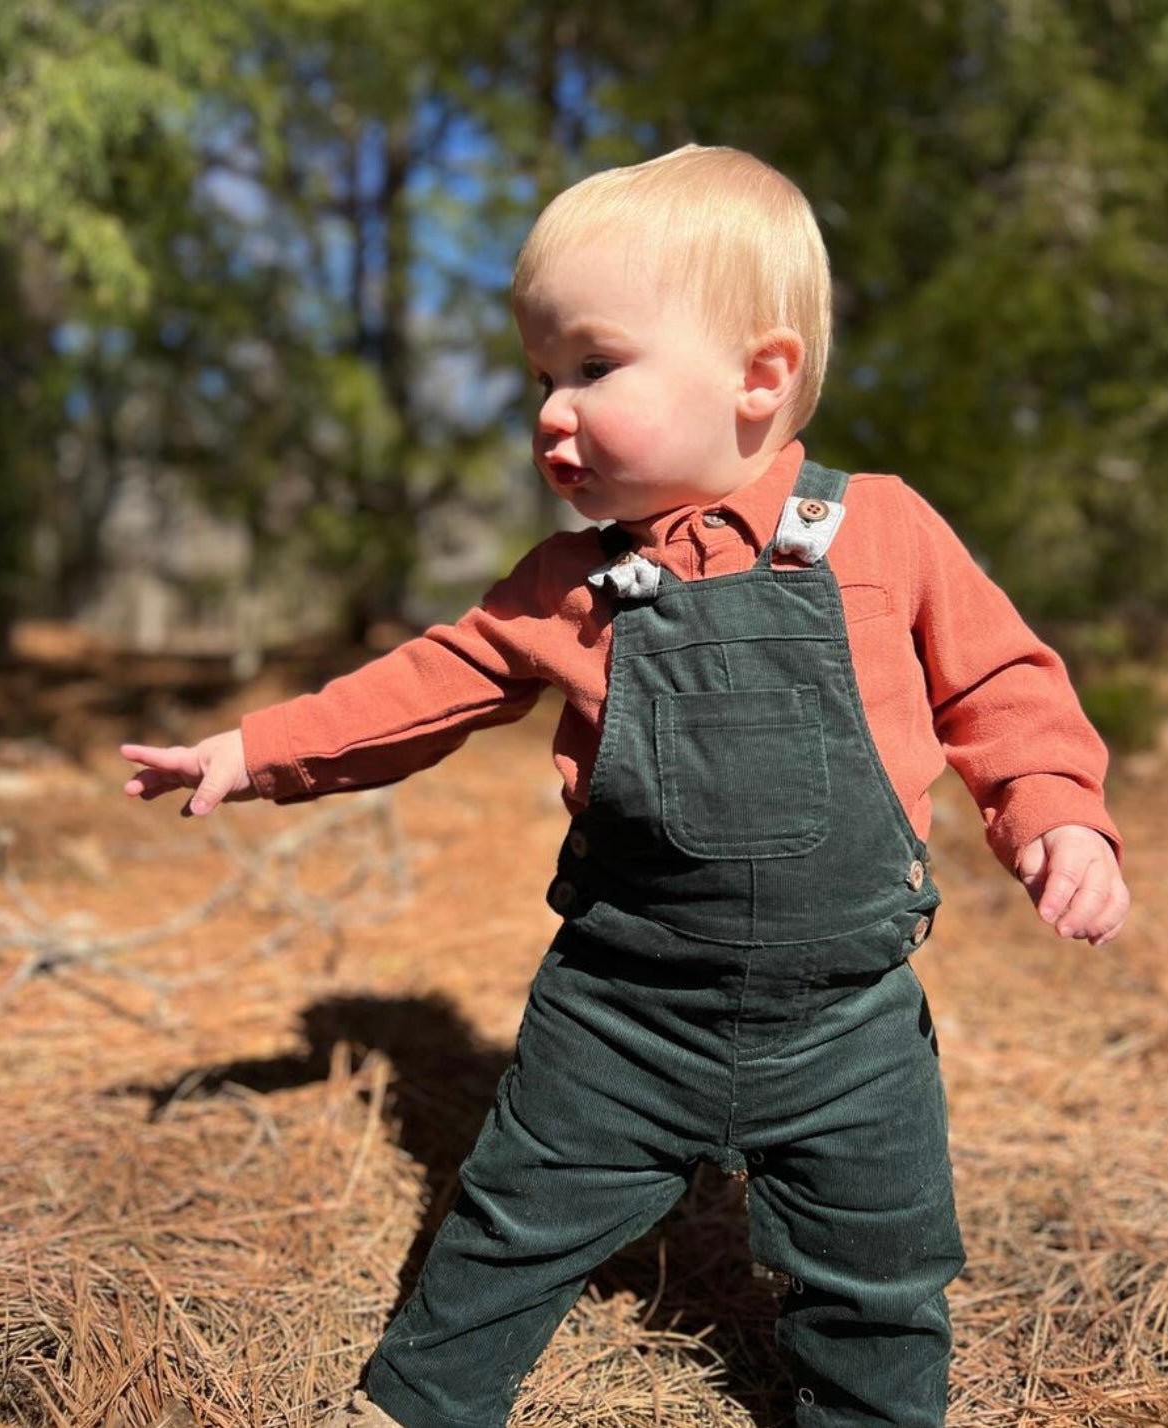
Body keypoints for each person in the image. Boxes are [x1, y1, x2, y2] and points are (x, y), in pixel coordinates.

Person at [122, 145, 1129, 1428]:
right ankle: (419, 1401)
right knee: (505, 1223)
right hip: (619, 1012)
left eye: (592, 368)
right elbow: (417, 687)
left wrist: (1052, 814)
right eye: (541, 375)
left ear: (758, 377)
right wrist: (253, 752)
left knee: (880, 1274)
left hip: (848, 1027)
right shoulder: (565, 585)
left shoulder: (878, 532)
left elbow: (1004, 687)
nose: (550, 407)